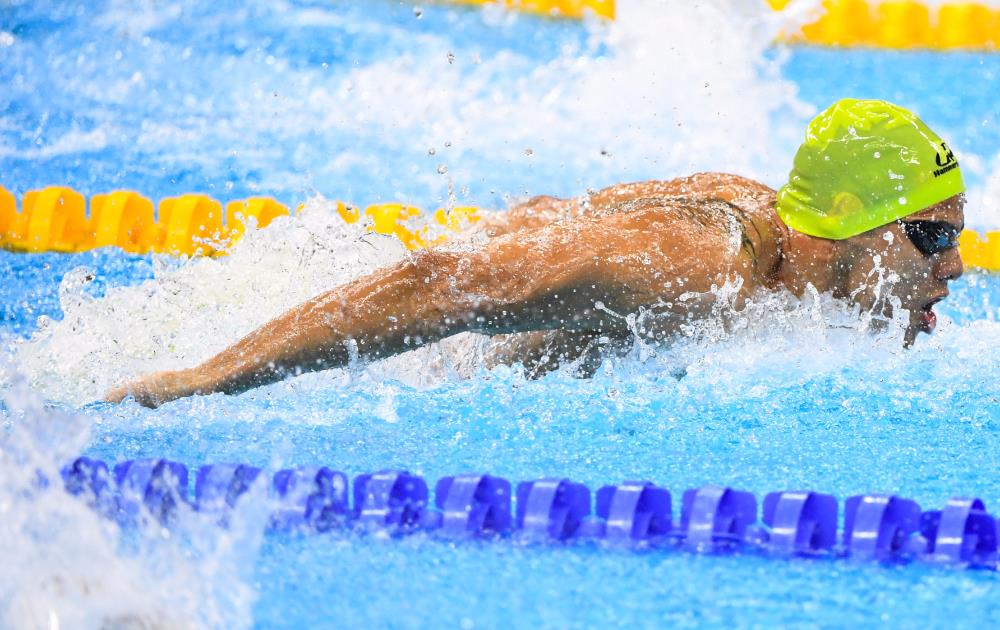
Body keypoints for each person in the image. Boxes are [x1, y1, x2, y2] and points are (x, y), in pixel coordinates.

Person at [105, 98, 966, 408]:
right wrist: (209, 377)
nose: (956, 267)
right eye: (932, 236)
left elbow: (556, 213)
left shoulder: (779, 239)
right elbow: (447, 283)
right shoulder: (696, 266)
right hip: (447, 379)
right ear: (844, 227)